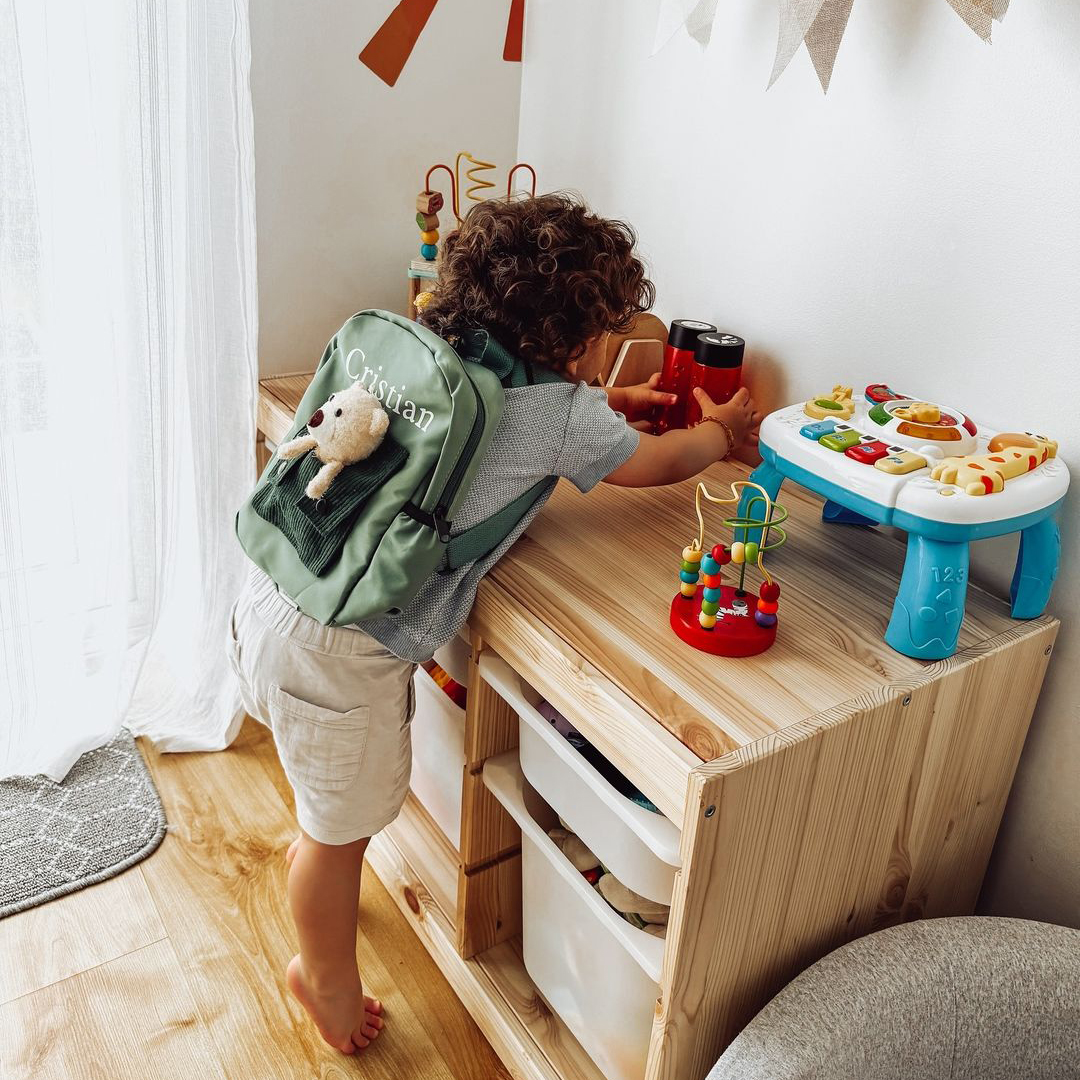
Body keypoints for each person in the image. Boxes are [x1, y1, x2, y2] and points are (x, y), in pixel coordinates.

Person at [228, 192, 761, 1055]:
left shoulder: (432, 350)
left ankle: (319, 867)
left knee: (324, 803)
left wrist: (606, 403)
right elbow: (662, 464)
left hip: (279, 590)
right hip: (343, 651)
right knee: (339, 835)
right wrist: (718, 429)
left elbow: (516, 430)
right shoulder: (562, 417)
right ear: (582, 343)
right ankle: (320, 977)